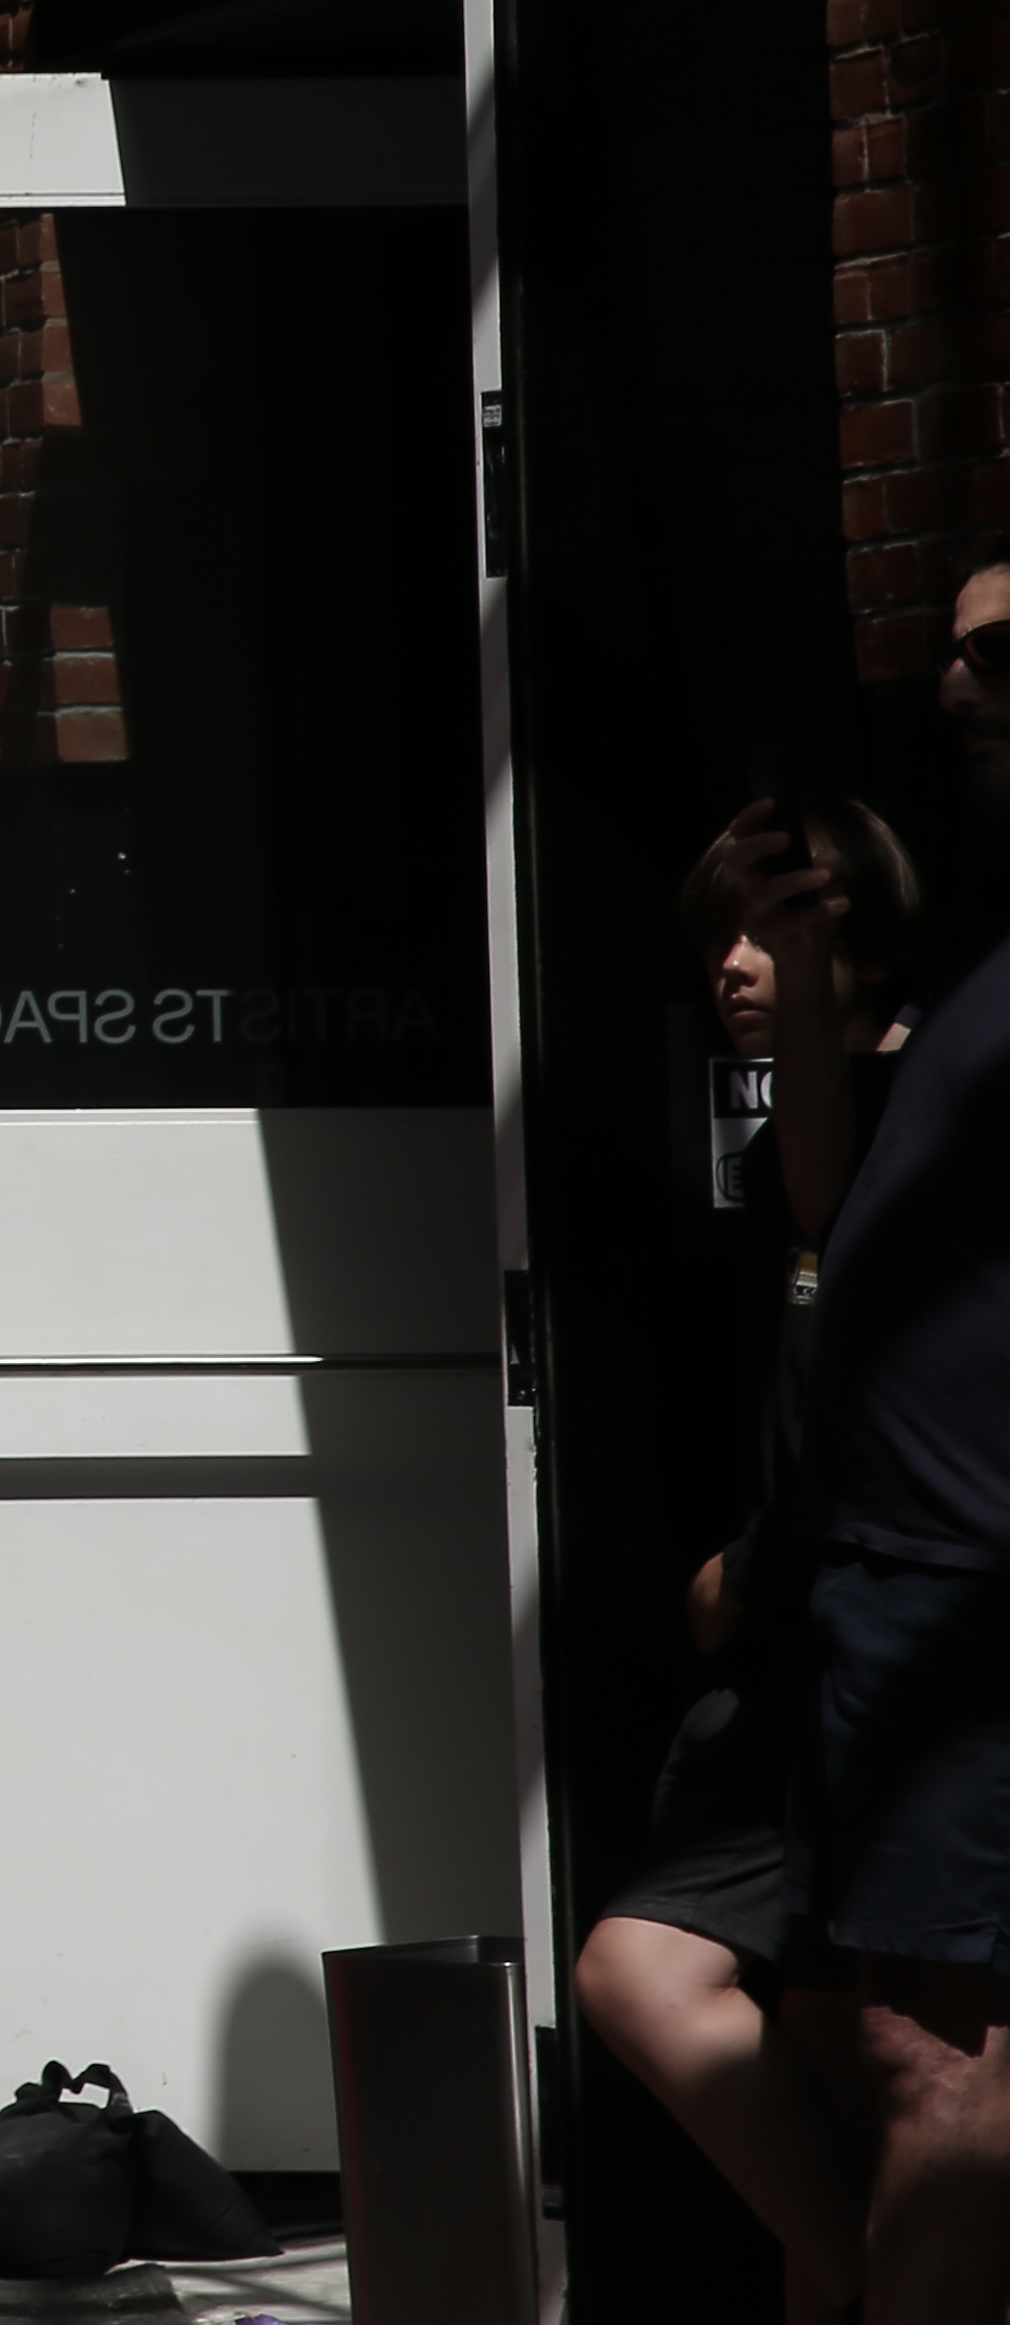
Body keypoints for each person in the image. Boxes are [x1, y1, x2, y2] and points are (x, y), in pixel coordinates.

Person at [583, 795, 921, 2321]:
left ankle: (890, 2288)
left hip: (873, 1666)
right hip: (791, 1670)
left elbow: (840, 1220)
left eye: (776, 926)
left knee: (659, 1978)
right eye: (719, 932)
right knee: (808, 2071)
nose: (736, 964)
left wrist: (760, 1569)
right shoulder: (806, 1122)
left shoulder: (919, 1109)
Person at [751, 535, 1010, 2323]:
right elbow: (840, 1219)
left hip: (973, 1586)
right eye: (957, 653)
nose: (960, 684)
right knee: (916, 2061)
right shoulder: (991, 943)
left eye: (1004, 654)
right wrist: (801, 980)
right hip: (909, 1579)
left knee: (941, 2076)